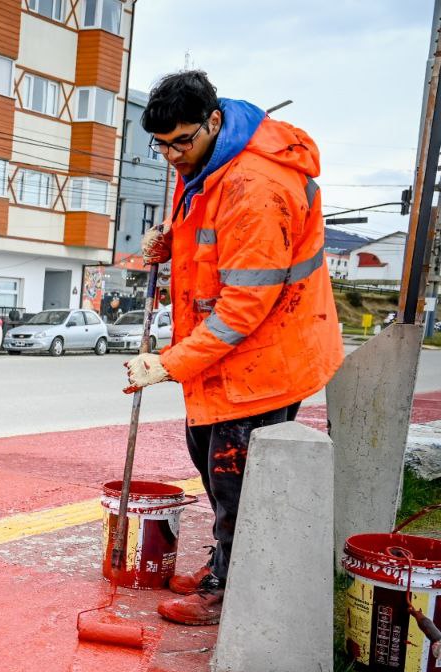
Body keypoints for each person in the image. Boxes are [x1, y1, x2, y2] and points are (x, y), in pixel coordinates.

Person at [131, 70, 344, 625]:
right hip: (223, 359)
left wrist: (168, 363)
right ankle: (226, 562)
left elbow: (245, 306)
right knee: (209, 461)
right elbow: (208, 238)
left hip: (264, 357)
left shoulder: (257, 186)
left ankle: (234, 589)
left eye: (183, 141)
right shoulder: (206, 165)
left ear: (214, 120)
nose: (174, 155)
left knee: (238, 481)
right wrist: (171, 242)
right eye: (162, 145)